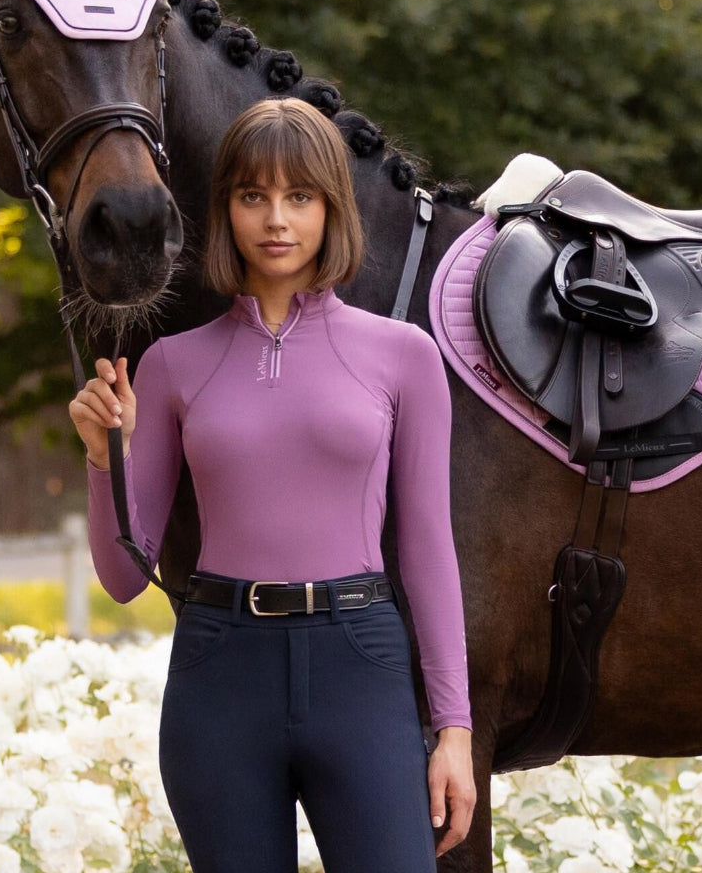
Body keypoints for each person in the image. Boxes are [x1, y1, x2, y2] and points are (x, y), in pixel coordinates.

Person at [69, 96, 475, 872]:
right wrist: (103, 460)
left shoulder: (404, 356)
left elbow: (427, 549)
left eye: (300, 196)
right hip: (220, 676)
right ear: (224, 210)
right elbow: (125, 575)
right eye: (253, 196)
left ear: (332, 209)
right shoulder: (172, 366)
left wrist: (454, 729)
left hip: (362, 666)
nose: (276, 219)